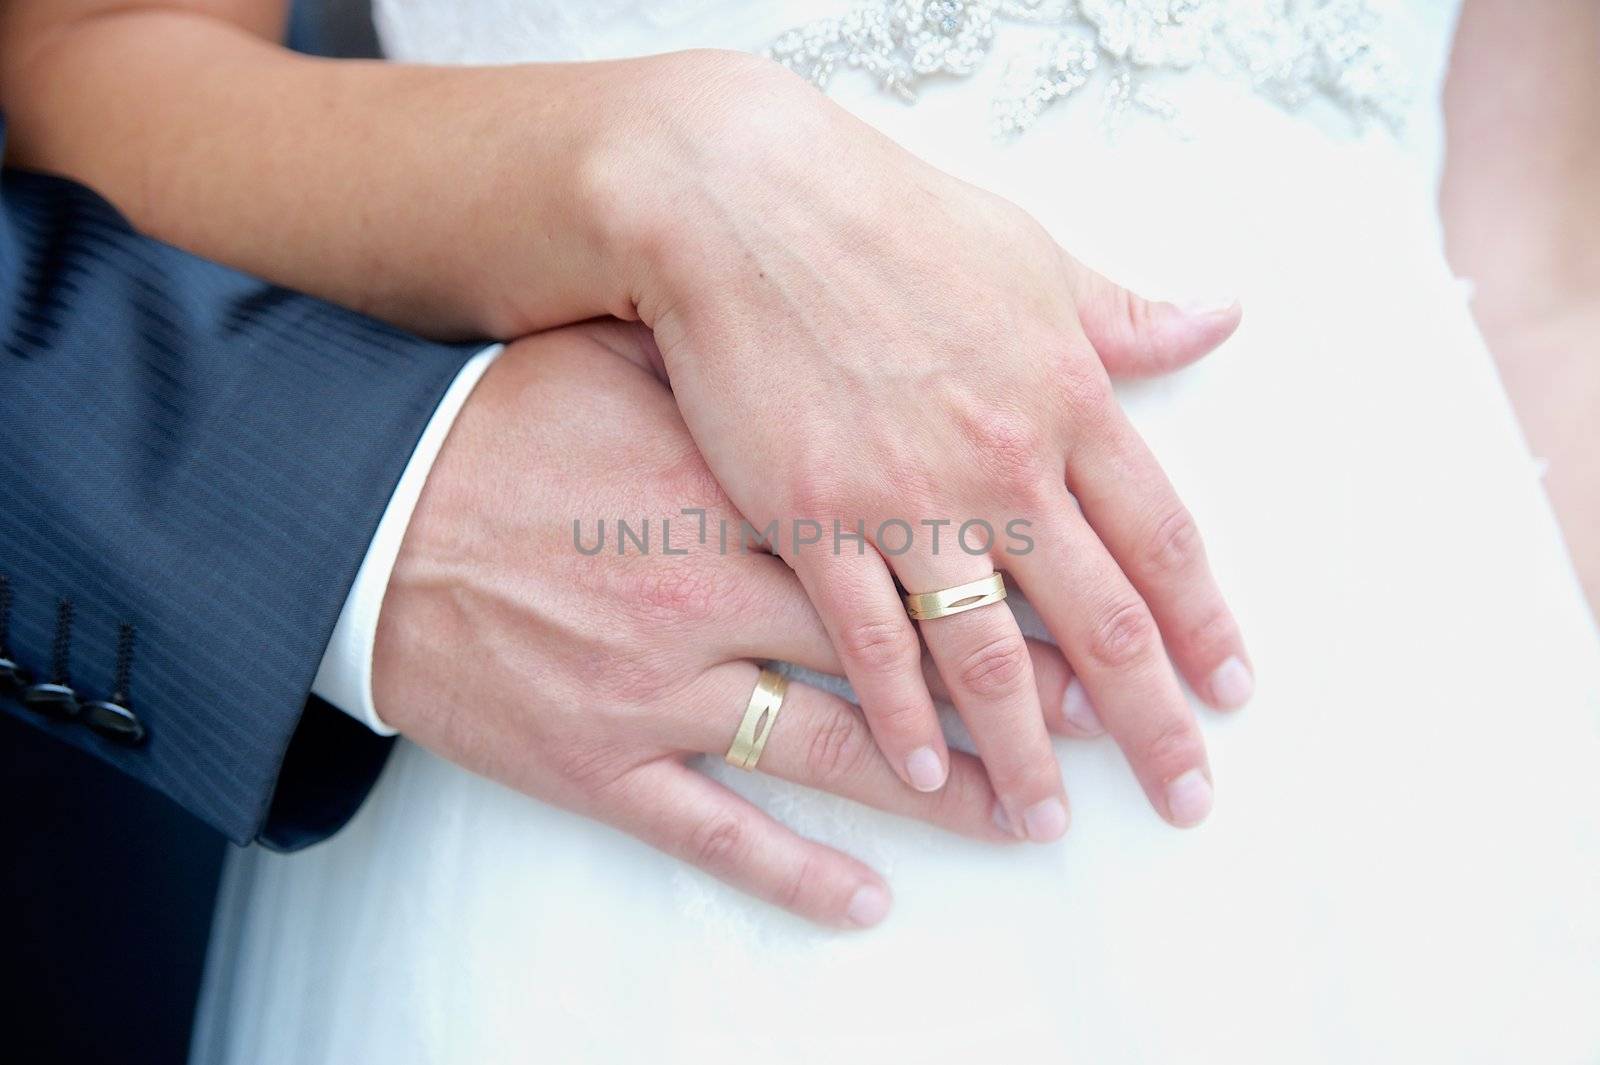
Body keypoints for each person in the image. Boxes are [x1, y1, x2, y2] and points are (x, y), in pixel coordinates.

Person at [6, 1, 1600, 1061]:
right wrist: (644, 165)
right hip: (703, 763)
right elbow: (95, 69)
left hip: (1440, 784)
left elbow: (1532, 260)